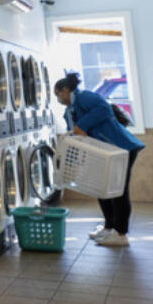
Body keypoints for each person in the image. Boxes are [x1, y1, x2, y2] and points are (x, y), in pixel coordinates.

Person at [53, 72, 144, 247]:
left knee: (118, 191)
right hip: (104, 153)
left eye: (58, 94)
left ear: (65, 90)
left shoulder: (84, 97)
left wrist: (82, 125)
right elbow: (74, 135)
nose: (58, 99)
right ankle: (109, 227)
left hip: (122, 148)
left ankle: (121, 233)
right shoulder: (69, 111)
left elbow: (103, 109)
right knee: (101, 189)